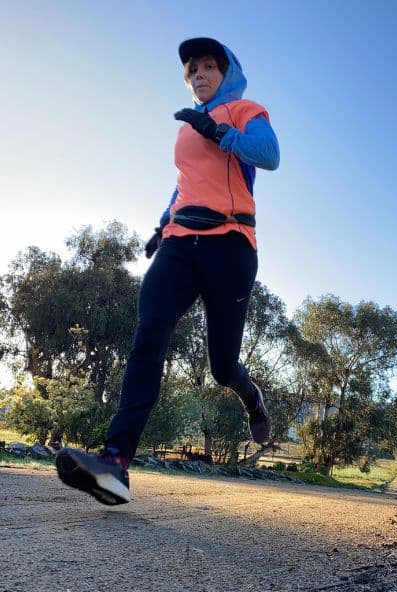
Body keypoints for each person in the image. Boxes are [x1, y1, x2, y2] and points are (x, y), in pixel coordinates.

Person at [55, 37, 280, 506]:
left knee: (221, 366)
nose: (198, 75)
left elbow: (269, 154)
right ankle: (116, 462)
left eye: (209, 67)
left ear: (227, 72)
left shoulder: (244, 110)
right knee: (149, 334)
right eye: (192, 69)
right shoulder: (185, 129)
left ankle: (251, 394)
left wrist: (219, 132)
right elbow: (184, 185)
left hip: (231, 245)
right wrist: (162, 225)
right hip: (180, 244)